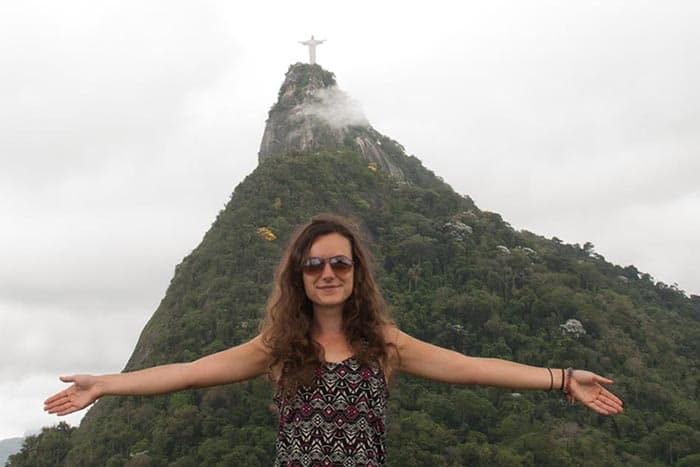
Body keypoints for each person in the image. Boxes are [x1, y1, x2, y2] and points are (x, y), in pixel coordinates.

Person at [45, 214, 624, 466]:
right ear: (298, 274)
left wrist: (563, 379)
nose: (327, 274)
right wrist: (106, 384)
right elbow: (189, 370)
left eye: (339, 264)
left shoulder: (385, 343)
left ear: (355, 272)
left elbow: (471, 366)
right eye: (314, 264)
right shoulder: (276, 346)